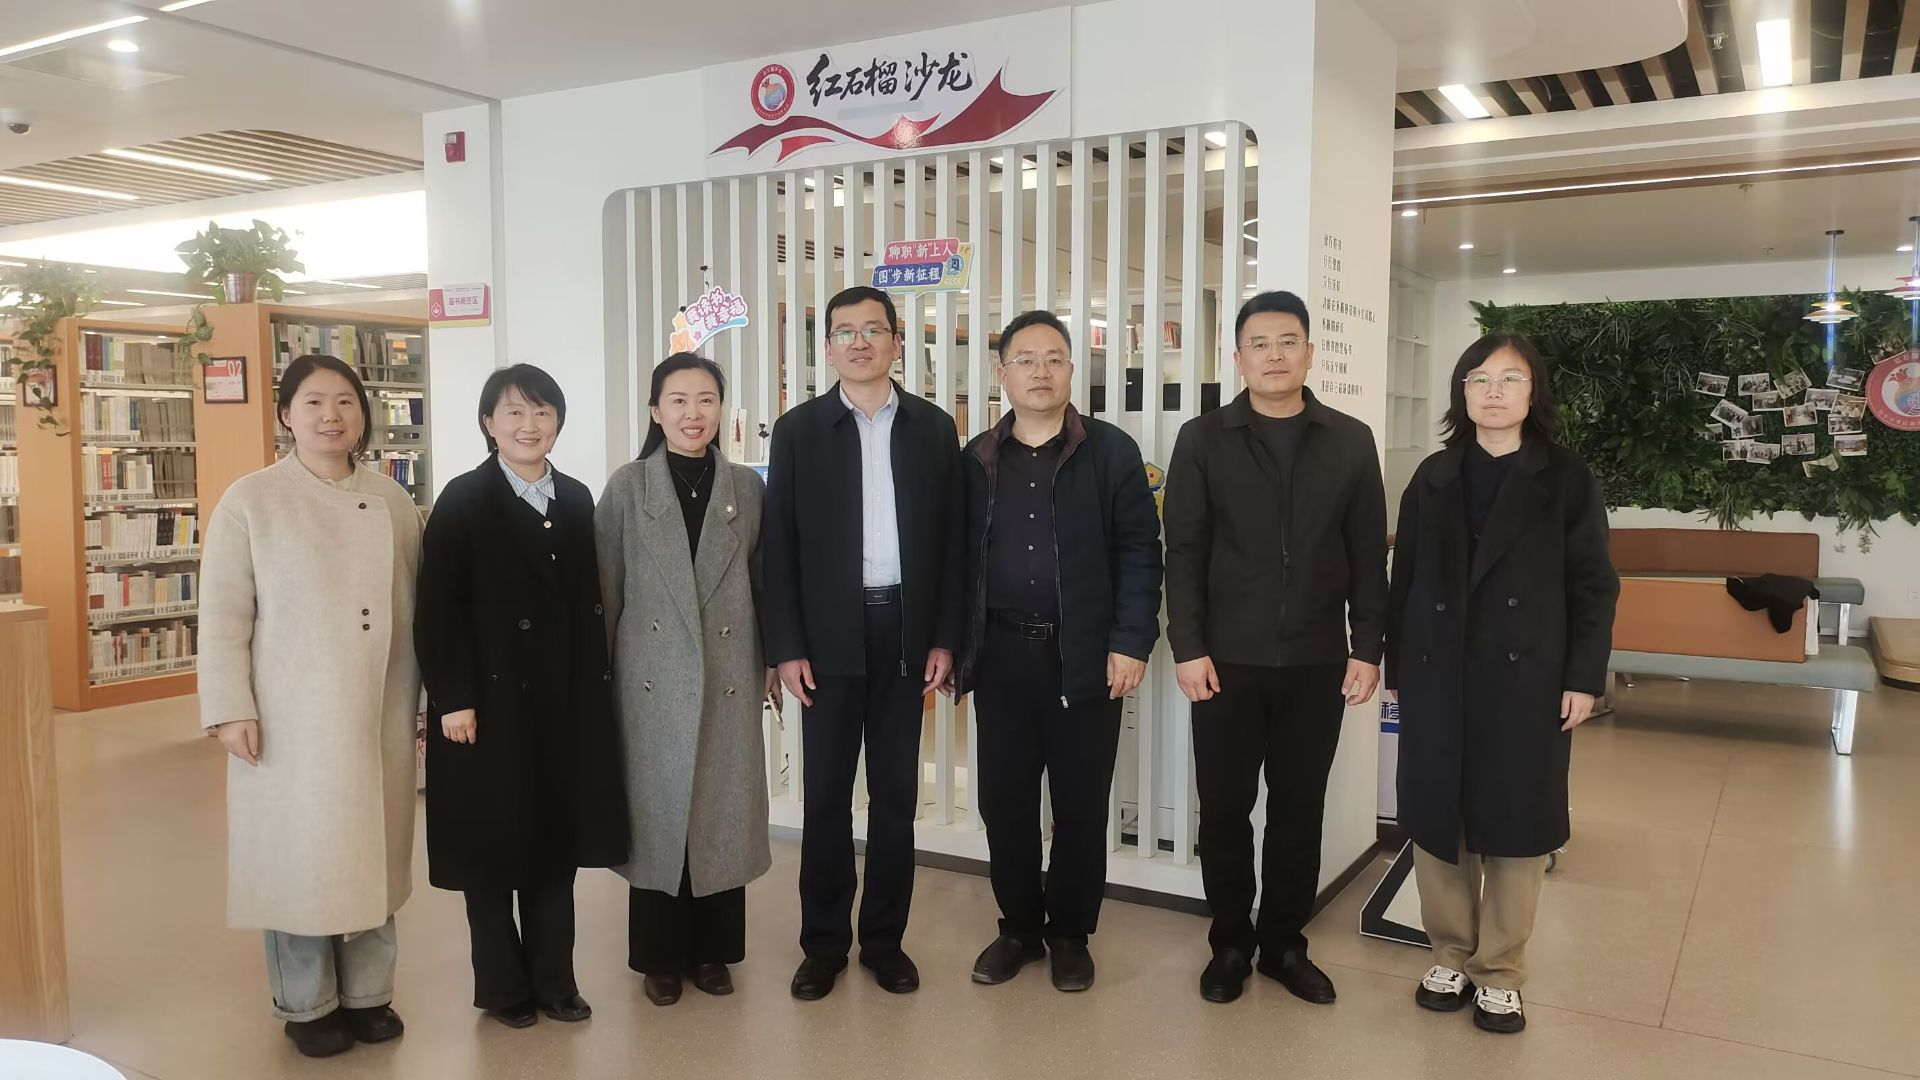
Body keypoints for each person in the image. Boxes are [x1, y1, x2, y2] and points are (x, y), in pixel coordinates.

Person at [1385, 332, 1618, 1034]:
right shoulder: (1431, 477)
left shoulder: (1566, 478)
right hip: (1438, 674)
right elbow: (1405, 582)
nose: (1493, 391)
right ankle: (1451, 954)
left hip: (1528, 678)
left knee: (1517, 822)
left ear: (1532, 392)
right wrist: (1398, 669)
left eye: (1510, 379)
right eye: (1479, 379)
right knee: (1438, 816)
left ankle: (1501, 969)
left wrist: (1583, 677)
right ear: (1462, 392)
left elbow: (1593, 586)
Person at [1162, 289, 1389, 1005]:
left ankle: (1285, 944)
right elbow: (1183, 551)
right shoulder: (1203, 439)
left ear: (1310, 352)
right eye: (1259, 344)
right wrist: (1188, 646)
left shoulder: (1349, 440)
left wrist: (1367, 646)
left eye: (1288, 341)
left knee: (1299, 810)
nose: (1275, 355)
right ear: (1238, 357)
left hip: (1318, 661)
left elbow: (1367, 553)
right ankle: (1230, 943)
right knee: (1224, 809)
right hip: (1224, 662)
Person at [198, 355, 422, 1058]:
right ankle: (307, 1003)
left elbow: (418, 609)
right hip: (290, 713)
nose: (332, 416)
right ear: (286, 414)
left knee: (372, 850)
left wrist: (425, 701)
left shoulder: (391, 500)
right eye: (315, 402)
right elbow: (223, 615)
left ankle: (369, 994)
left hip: (380, 705)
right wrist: (230, 706)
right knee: (301, 856)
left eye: (346, 402)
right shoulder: (251, 500)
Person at [761, 285, 964, 1000]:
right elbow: (778, 546)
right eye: (844, 331)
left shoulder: (934, 429)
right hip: (827, 638)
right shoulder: (799, 431)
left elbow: (953, 542)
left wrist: (944, 636)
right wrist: (786, 645)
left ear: (897, 343)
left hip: (906, 631)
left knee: (896, 797)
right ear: (827, 348)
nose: (859, 342)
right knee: (824, 799)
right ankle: (822, 945)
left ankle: (883, 941)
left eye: (873, 330)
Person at [415, 364, 629, 1029]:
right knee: (491, 851)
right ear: (488, 423)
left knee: (553, 849)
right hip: (486, 706)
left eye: (542, 413)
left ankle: (556, 982)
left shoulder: (576, 498)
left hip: (562, 705)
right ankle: (504, 988)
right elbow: (437, 610)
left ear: (558, 422)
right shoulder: (463, 499)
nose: (528, 426)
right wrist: (452, 698)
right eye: (512, 412)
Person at [954, 310, 1163, 992]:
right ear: (1002, 373)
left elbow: (1141, 552)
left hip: (1085, 658)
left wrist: (1130, 641)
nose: (1039, 371)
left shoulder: (1112, 452)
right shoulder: (977, 459)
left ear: (1072, 370)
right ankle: (1019, 928)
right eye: (1025, 359)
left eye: (1053, 359)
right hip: (1002, 658)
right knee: (1004, 802)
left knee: (1079, 804)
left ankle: (1070, 933)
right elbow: (957, 561)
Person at [598, 352, 775, 1007]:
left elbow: (764, 584)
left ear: (721, 409)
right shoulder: (628, 487)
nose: (692, 413)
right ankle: (658, 958)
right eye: (678, 400)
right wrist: (600, 679)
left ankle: (713, 952)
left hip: (728, 675)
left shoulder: (747, 489)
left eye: (705, 400)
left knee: (721, 812)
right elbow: (606, 591)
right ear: (655, 410)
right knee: (659, 815)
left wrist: (771, 661)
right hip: (650, 681)